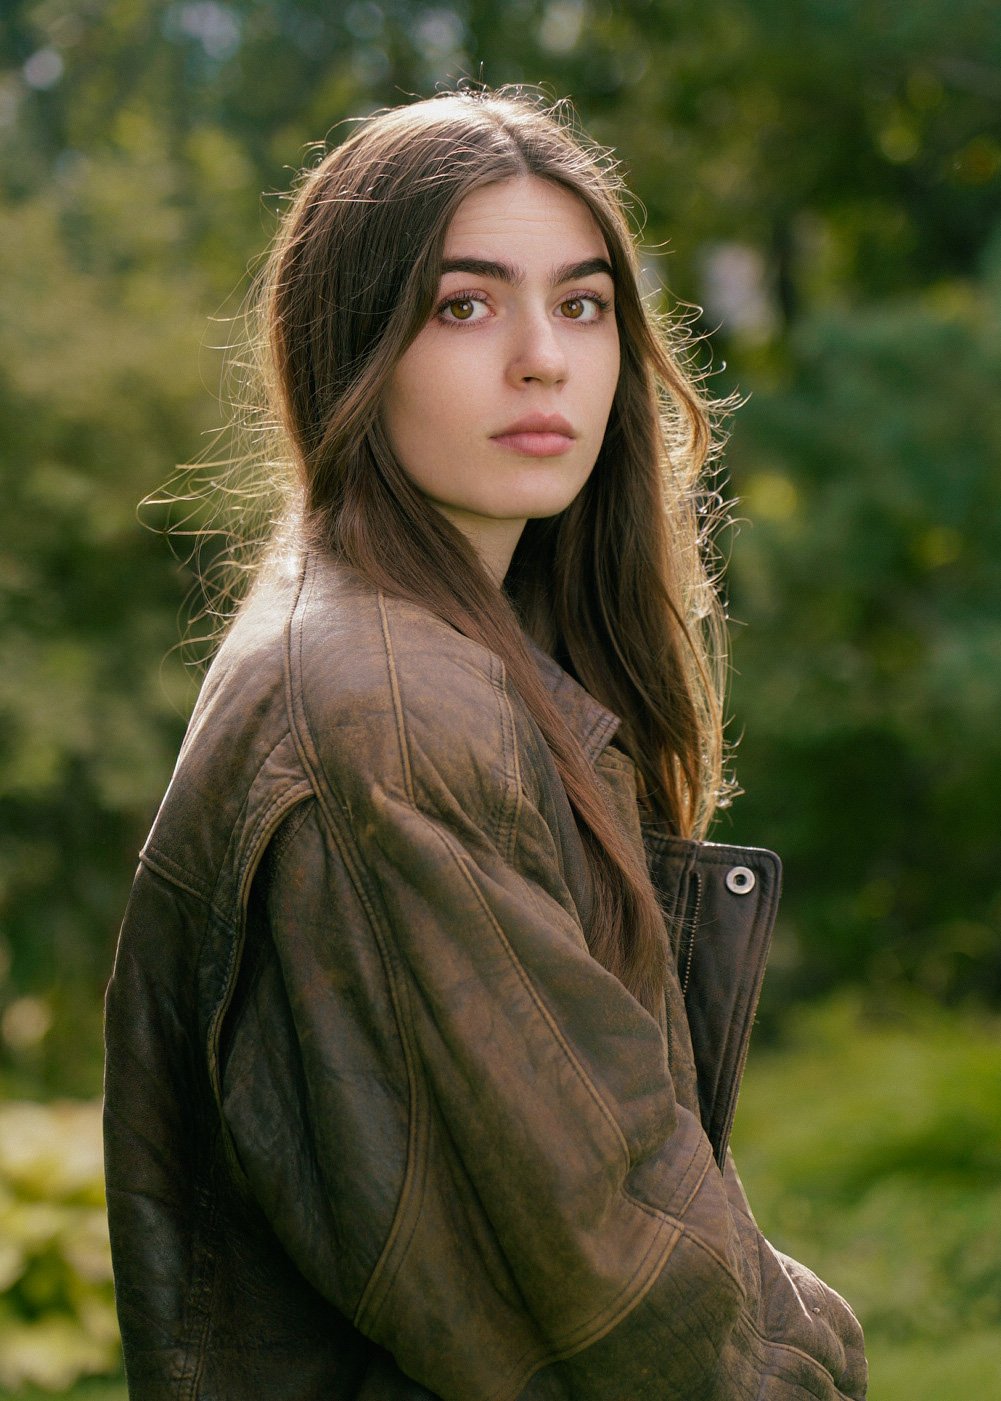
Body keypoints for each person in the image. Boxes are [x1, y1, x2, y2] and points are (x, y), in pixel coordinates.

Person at [103, 88, 868, 1399]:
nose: (542, 358)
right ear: (349, 344)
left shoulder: (410, 649)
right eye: (463, 305)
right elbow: (600, 1290)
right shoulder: (390, 711)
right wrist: (812, 1360)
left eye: (580, 304)